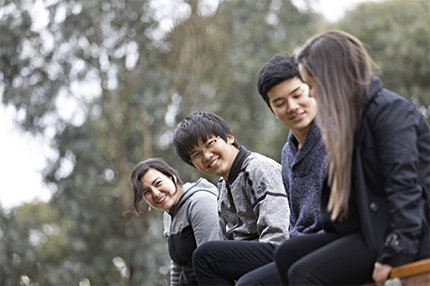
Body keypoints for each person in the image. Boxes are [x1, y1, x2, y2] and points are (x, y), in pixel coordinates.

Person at [274, 30, 430, 286]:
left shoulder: (390, 113)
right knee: (286, 254)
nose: (311, 95)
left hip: (410, 232)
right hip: (374, 228)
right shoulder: (354, 119)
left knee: (304, 274)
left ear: (331, 80)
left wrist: (395, 252)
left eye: (312, 86)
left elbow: (406, 190)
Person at [233, 54, 328, 285]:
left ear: (313, 90)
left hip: (334, 243)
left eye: (297, 95)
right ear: (272, 111)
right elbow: (294, 218)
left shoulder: (336, 137)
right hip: (298, 247)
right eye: (280, 103)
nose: (292, 107)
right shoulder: (287, 152)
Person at [172, 111, 290, 285]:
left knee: (205, 256)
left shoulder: (258, 168)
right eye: (196, 155)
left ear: (229, 137)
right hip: (252, 259)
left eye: (210, 143)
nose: (206, 156)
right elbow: (225, 240)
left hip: (280, 250)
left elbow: (279, 233)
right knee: (201, 263)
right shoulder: (223, 185)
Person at [130, 158, 220, 286]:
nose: (155, 193)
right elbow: (178, 265)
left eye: (158, 183)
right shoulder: (169, 214)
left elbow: (212, 262)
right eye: (147, 192)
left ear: (172, 177)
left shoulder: (200, 202)